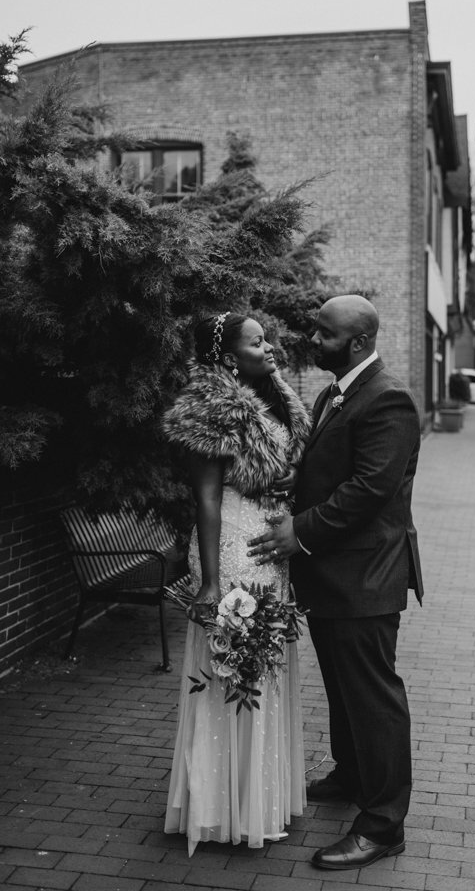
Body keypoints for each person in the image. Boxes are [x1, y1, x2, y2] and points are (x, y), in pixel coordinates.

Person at [247, 294, 424, 872]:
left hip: (365, 577)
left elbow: (369, 490)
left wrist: (299, 531)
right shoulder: (334, 391)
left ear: (356, 342)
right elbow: (331, 469)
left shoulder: (388, 398)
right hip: (333, 573)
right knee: (345, 691)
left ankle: (381, 826)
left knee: (374, 700)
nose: (311, 341)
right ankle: (352, 776)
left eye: (323, 334)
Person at [162, 312, 311, 854]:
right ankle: (223, 806)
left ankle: (260, 796)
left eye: (268, 338)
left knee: (264, 668)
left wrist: (293, 479)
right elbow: (205, 498)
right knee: (230, 671)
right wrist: (210, 582)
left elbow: (277, 466)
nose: (269, 347)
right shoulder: (211, 410)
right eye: (256, 341)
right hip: (232, 553)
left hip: (270, 552)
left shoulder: (270, 397)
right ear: (229, 357)